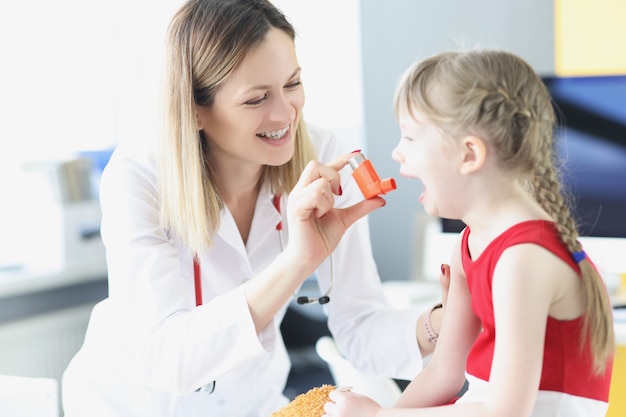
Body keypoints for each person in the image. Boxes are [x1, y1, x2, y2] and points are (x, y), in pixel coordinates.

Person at [61, 1, 447, 416]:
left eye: (293, 84)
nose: (285, 114)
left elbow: (359, 327)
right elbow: (167, 359)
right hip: (134, 405)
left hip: (254, 402)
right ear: (195, 109)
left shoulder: (326, 158)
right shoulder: (139, 175)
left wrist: (450, 320)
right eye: (256, 99)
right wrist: (297, 262)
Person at [323, 49, 615, 417]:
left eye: (410, 138)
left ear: (468, 155)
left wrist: (379, 415)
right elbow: (443, 375)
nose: (397, 153)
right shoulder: (468, 244)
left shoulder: (522, 259)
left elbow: (506, 411)